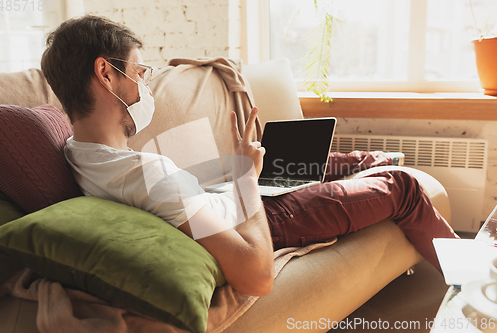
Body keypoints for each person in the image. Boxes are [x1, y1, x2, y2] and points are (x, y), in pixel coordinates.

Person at [41, 15, 458, 297]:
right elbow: (255, 275)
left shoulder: (78, 151)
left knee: (351, 161)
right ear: (105, 73)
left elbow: (165, 193)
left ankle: (368, 178)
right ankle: (475, 285)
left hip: (221, 194)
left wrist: (238, 171)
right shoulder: (148, 174)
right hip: (253, 215)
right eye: (139, 72)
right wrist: (244, 178)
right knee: (402, 186)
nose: (145, 85)